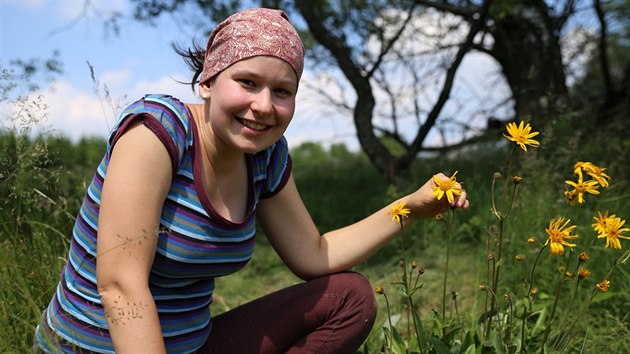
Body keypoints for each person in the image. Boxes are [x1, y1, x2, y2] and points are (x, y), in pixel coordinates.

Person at [34, 7, 469, 354]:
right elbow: (120, 285)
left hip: (193, 346)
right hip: (94, 348)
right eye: (247, 82)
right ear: (207, 81)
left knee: (350, 297)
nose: (263, 106)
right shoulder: (158, 133)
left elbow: (315, 256)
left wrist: (413, 207)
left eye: (282, 91)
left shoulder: (265, 158)